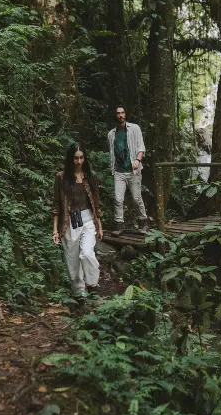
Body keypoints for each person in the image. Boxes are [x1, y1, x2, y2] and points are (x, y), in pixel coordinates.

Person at [52, 143, 103, 298]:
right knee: (72, 260)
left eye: (81, 158)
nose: (79, 161)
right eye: (76, 158)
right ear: (70, 159)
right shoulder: (61, 178)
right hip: (69, 222)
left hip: (88, 219)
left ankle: (93, 284)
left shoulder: (91, 176)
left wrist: (99, 226)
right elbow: (56, 206)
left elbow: (96, 203)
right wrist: (55, 229)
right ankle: (79, 292)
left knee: (87, 254)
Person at [107, 105, 149, 234]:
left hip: (133, 170)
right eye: (118, 113)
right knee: (118, 199)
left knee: (136, 198)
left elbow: (141, 147)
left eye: (122, 113)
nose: (120, 115)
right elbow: (112, 152)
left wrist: (137, 160)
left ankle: (143, 222)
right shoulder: (111, 134)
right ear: (115, 115)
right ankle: (119, 225)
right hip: (119, 171)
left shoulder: (134, 128)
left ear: (125, 114)